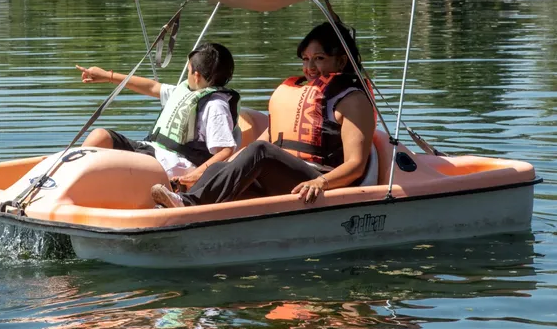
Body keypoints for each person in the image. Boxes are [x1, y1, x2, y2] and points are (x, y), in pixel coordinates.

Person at [151, 22, 376, 208]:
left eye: (319, 58)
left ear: (341, 61)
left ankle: (187, 205)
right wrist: (217, 167)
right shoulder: (301, 93)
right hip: (287, 177)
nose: (310, 67)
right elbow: (265, 140)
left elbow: (356, 165)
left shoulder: (353, 100)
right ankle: (178, 199)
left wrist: (321, 182)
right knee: (224, 165)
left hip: (320, 182)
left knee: (259, 152)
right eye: (306, 59)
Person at [76, 42, 239, 185]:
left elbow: (225, 150)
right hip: (150, 151)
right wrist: (107, 76)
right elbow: (152, 87)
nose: (187, 74)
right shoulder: (187, 91)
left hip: (173, 166)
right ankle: (68, 181)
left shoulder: (216, 106)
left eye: (188, 69)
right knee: (100, 136)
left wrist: (194, 176)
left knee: (115, 166)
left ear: (196, 76)